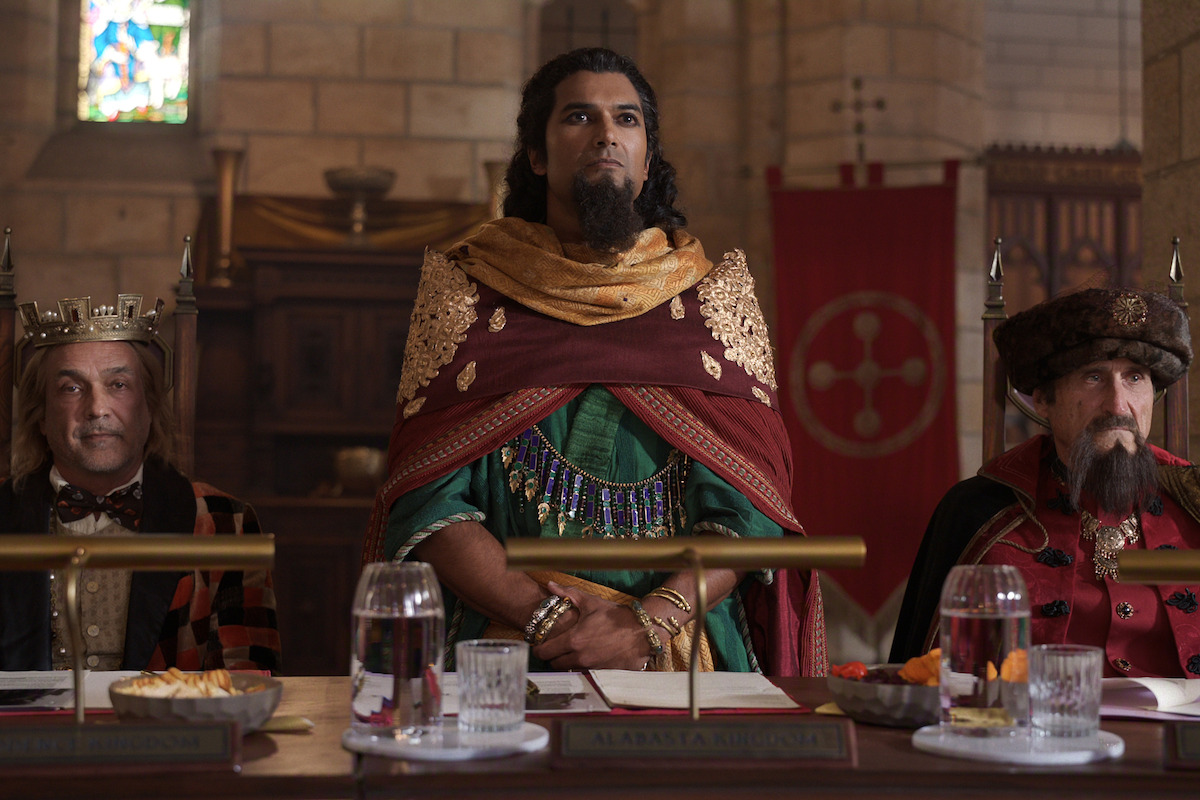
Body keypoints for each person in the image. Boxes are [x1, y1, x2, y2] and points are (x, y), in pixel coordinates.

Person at [363, 47, 825, 675]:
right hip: (503, 655)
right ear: (536, 153)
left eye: (626, 119)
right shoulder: (468, 292)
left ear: (647, 157)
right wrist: (550, 622)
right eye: (579, 117)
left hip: (678, 652)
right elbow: (428, 503)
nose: (607, 133)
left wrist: (646, 624)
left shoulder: (709, 300)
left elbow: (750, 511)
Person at [890, 287, 1200, 678]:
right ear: (1043, 400)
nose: (1118, 405)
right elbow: (925, 681)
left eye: (1134, 378)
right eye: (1093, 377)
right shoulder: (978, 513)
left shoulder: (1193, 504)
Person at [0, 292, 281, 673]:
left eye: (118, 384)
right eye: (71, 388)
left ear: (150, 410)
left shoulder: (223, 523)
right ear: (42, 417)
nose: (97, 408)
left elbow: (247, 683)